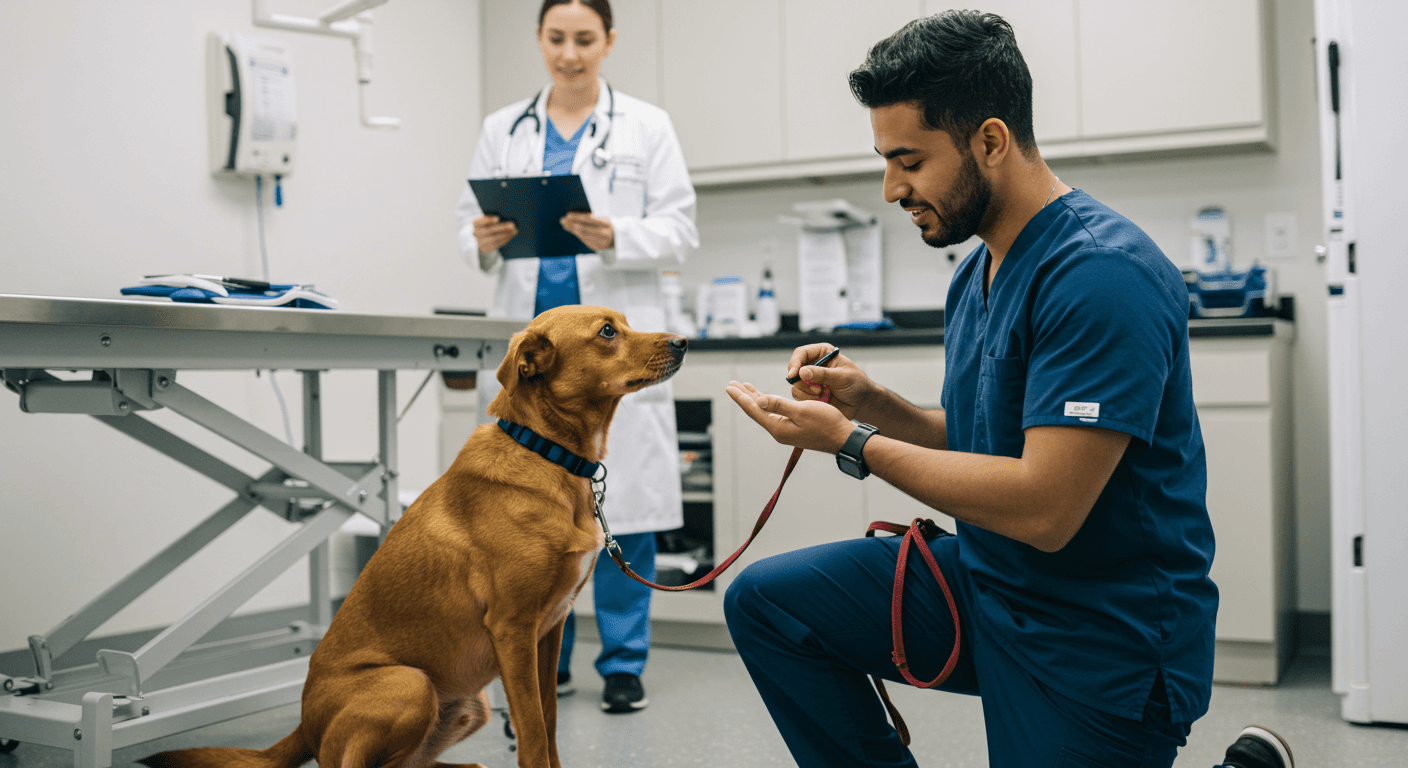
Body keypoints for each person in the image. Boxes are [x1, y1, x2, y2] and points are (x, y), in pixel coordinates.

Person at [720, 10, 1246, 767]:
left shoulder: (1102, 275)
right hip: (989, 583)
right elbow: (984, 436)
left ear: (991, 141)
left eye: (909, 161)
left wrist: (852, 442)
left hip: (1101, 636)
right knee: (770, 603)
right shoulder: (977, 270)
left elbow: (1045, 507)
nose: (891, 188)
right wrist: (871, 405)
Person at [454, 0, 698, 714]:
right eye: (556, 38)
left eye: (584, 39)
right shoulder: (502, 129)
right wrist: (481, 240)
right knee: (523, 511)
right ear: (539, 39)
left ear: (608, 41)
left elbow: (680, 229)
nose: (569, 53)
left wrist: (616, 234)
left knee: (630, 507)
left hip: (612, 353)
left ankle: (623, 662)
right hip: (537, 361)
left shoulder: (646, 125)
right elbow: (464, 229)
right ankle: (540, 658)